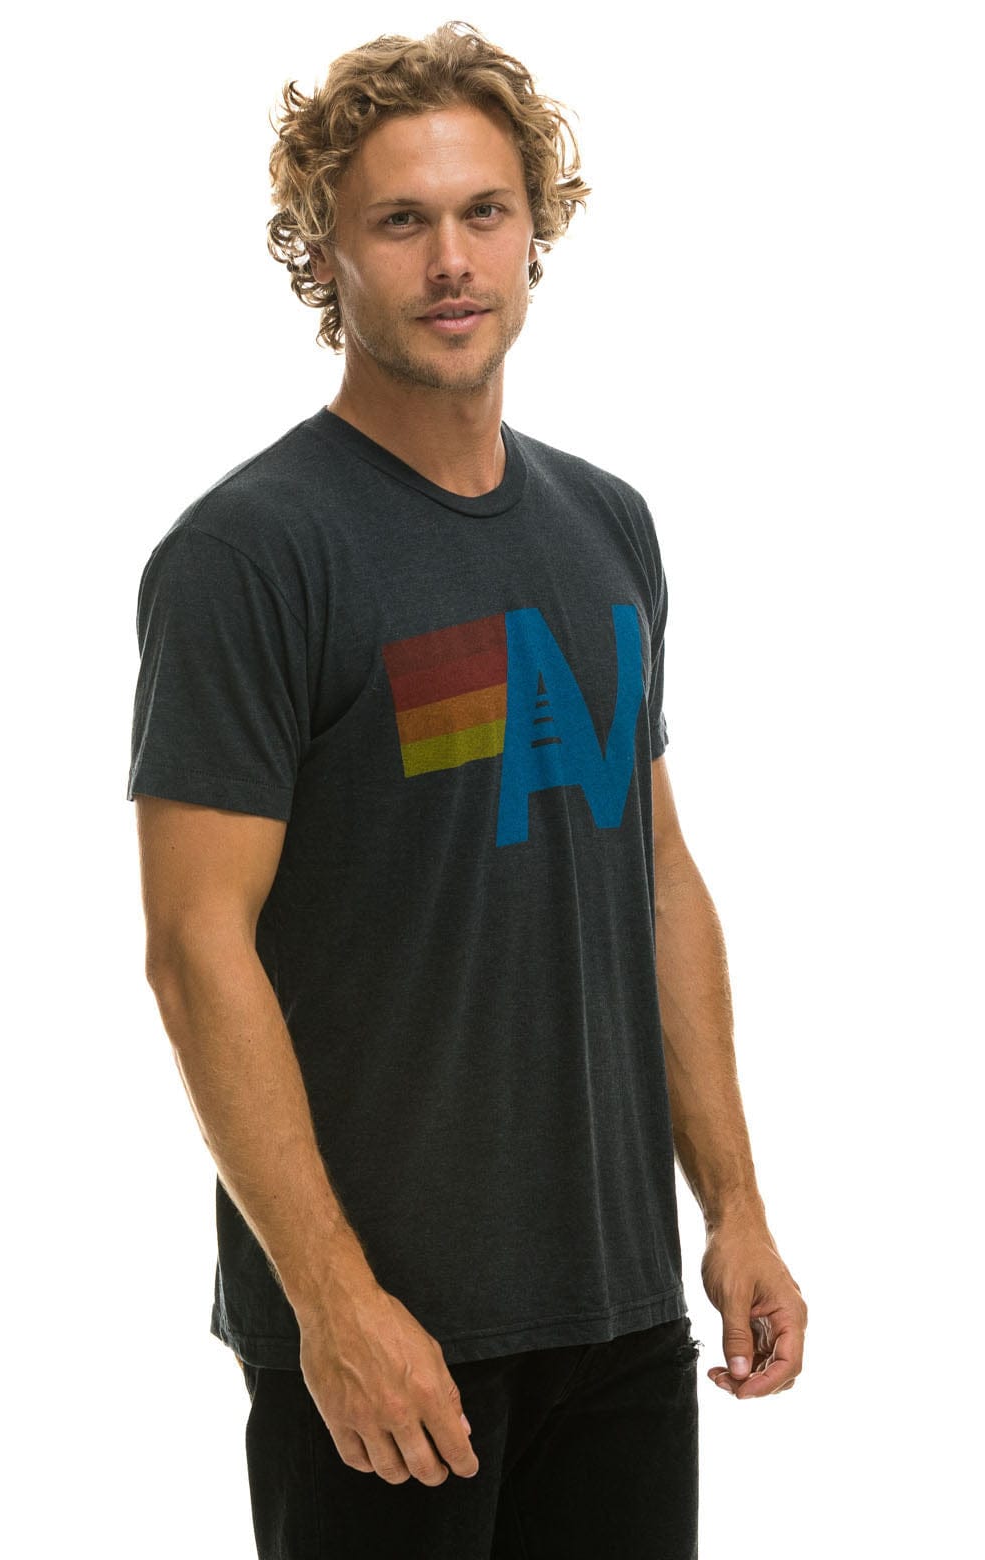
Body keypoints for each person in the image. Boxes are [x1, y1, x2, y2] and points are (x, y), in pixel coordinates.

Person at [127, 19, 808, 1559]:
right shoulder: (250, 556)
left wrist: (735, 1210)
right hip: (392, 1339)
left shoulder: (606, 525)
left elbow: (655, 877)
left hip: (620, 1313)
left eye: (485, 212)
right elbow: (194, 948)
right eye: (401, 220)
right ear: (326, 252)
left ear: (536, 230)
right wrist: (332, 1299)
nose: (451, 260)